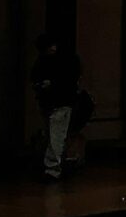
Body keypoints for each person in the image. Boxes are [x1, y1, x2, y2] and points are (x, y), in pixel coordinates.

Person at [30, 33, 93, 181]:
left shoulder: (43, 61)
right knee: (57, 136)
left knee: (54, 136)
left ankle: (53, 168)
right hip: (63, 102)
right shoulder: (68, 61)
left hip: (50, 102)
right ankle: (55, 167)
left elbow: (34, 79)